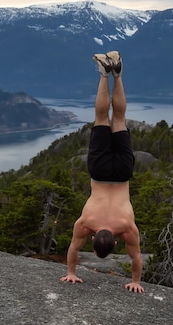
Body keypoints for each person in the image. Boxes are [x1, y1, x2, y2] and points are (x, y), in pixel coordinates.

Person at [60, 50, 145, 293]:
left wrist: (136, 281)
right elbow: (74, 249)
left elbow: (136, 257)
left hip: (121, 173)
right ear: (93, 240)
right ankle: (103, 73)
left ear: (116, 242)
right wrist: (70, 273)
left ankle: (116, 74)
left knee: (118, 119)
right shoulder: (86, 224)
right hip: (98, 172)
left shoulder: (127, 227)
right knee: (100, 117)